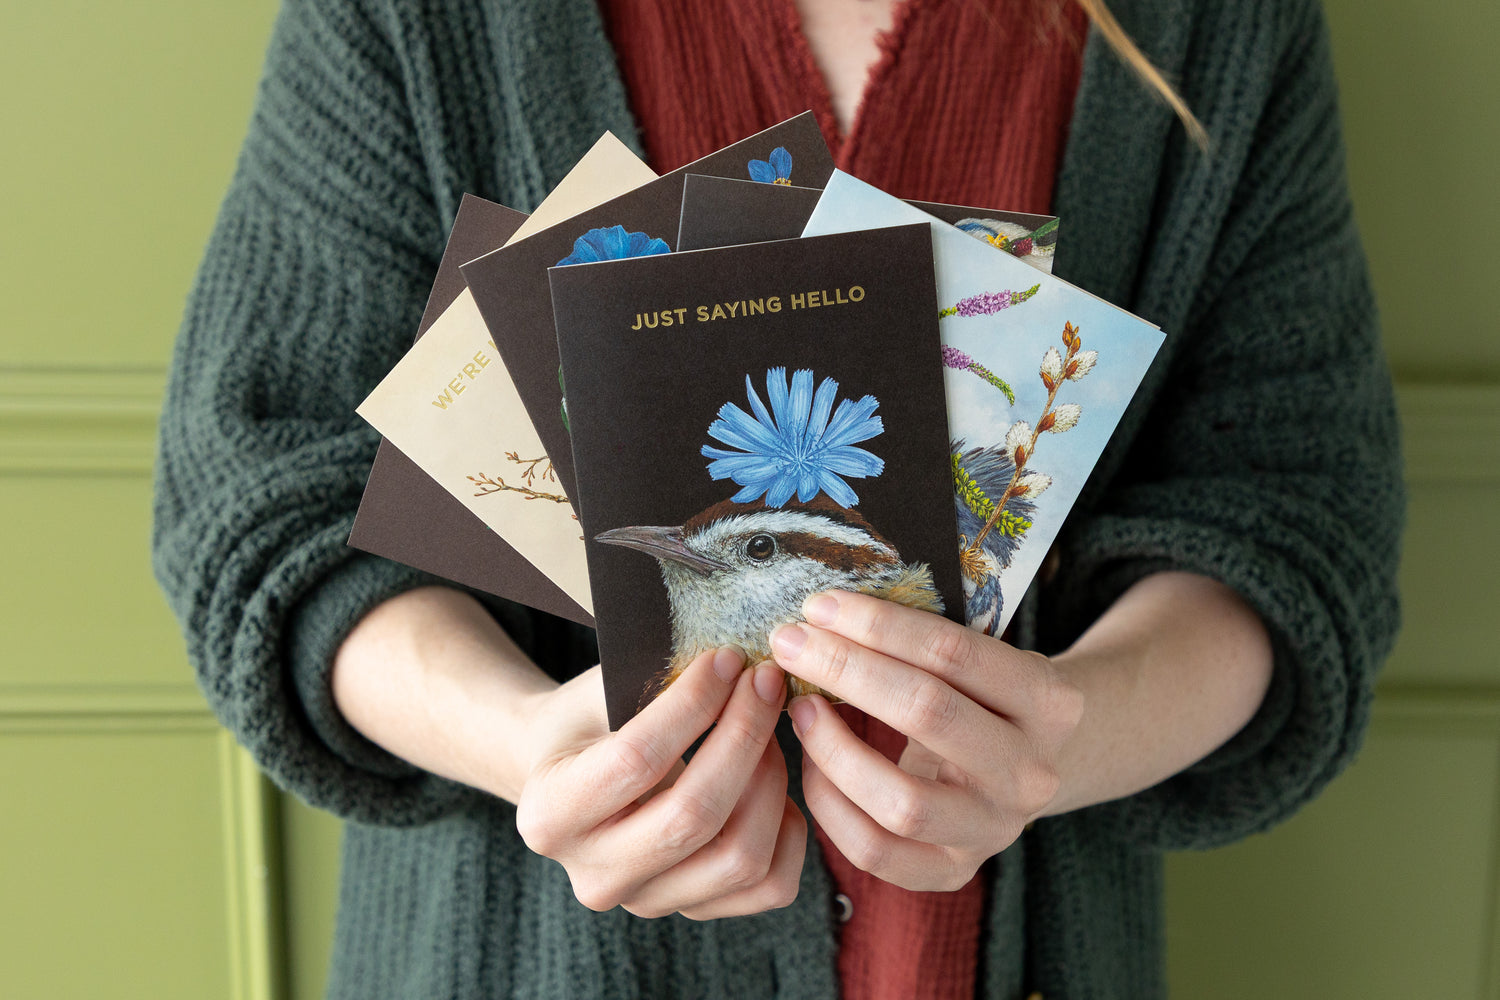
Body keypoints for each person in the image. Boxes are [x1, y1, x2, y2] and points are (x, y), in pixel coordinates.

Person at [152, 0, 1404, 997]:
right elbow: (266, 495)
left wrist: (1066, 738)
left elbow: (1291, 513)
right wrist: (524, 743)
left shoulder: (1215, 28)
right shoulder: (419, 18)